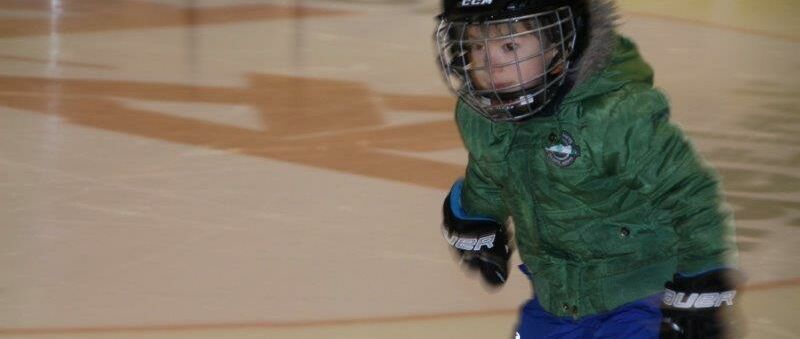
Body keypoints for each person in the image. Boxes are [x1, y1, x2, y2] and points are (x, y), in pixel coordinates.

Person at [434, 1, 741, 338]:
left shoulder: (612, 116)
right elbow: (491, 174)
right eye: (477, 46)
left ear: (558, 43)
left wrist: (705, 274)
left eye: (510, 46)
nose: (490, 65)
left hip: (640, 296)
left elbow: (687, 189)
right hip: (556, 303)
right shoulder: (486, 121)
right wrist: (474, 215)